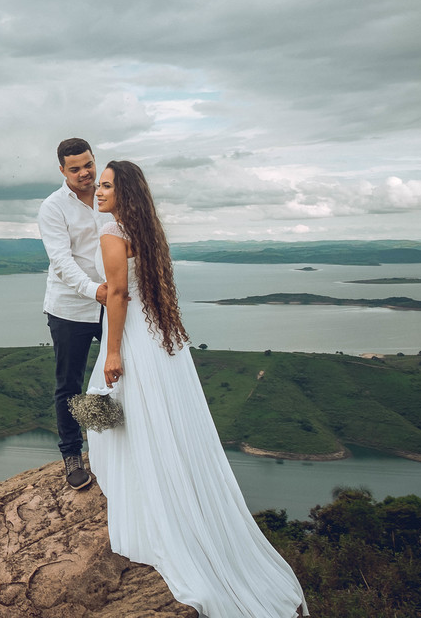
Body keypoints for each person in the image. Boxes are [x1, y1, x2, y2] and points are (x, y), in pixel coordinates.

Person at [87, 160, 308, 617]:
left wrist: (111, 352)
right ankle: (158, 487)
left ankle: (140, 499)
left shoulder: (112, 233)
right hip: (160, 339)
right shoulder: (145, 232)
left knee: (104, 416)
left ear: (124, 192)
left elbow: (119, 295)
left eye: (107, 185)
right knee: (148, 417)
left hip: (129, 338)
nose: (99, 190)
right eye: (99, 184)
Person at [38, 137, 109, 490]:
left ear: (95, 161)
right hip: (71, 307)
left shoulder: (110, 196)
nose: (84, 173)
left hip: (114, 301)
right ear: (62, 170)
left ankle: (119, 448)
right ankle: (72, 456)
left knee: (125, 372)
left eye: (88, 165)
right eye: (75, 168)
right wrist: (95, 290)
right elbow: (61, 261)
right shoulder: (53, 207)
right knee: (69, 384)